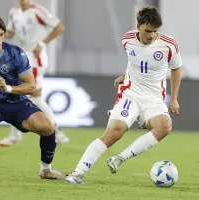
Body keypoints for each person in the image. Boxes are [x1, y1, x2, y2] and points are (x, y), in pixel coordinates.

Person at [66, 6, 182, 184]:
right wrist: (124, 75)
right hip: (131, 94)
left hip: (154, 99)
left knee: (165, 126)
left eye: (155, 31)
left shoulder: (169, 44)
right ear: (138, 26)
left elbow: (176, 69)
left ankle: (119, 159)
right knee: (115, 132)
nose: (151, 35)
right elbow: (134, 62)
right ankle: (77, 173)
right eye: (147, 31)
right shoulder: (127, 39)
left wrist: (173, 99)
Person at [0, 17, 66, 179]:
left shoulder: (14, 53)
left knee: (47, 128)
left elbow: (31, 86)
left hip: (15, 102)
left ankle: (46, 170)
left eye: (1, 35)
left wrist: (6, 87)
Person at [0, 0, 69, 146]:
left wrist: (42, 44)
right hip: (21, 57)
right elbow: (11, 31)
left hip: (35, 59)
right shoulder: (14, 12)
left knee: (33, 95)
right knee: (19, 94)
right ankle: (16, 135)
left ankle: (54, 131)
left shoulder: (38, 11)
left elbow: (59, 27)